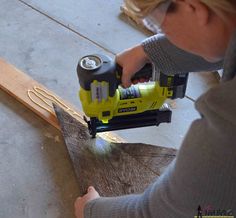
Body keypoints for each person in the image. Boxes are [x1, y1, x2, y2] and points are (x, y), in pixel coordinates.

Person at [75, 0, 236, 217]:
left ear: (194, 8)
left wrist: (90, 209)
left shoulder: (229, 125)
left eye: (156, 24)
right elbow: (225, 38)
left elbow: (161, 213)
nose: (161, 32)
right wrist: (151, 52)